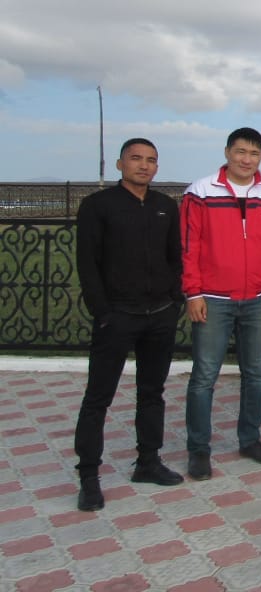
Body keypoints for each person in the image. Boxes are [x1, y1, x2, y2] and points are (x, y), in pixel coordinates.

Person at [73, 138, 185, 511]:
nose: (143, 165)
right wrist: (103, 313)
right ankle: (89, 475)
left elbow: (175, 257)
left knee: (152, 393)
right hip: (117, 316)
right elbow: (88, 264)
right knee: (98, 397)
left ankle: (148, 461)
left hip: (159, 314)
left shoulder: (164, 206)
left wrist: (174, 300)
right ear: (121, 164)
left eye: (151, 160)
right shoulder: (98, 206)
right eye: (136, 158)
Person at [183, 127, 261, 481]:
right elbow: (190, 245)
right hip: (213, 299)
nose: (246, 159)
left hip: (258, 299)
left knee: (255, 374)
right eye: (241, 151)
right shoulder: (201, 191)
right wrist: (193, 292)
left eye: (254, 153)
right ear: (228, 152)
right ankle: (199, 448)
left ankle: (250, 439)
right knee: (204, 376)